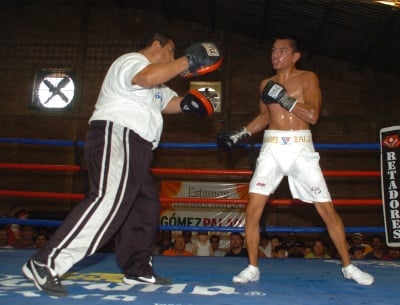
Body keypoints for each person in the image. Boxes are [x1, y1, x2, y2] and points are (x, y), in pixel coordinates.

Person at [21, 29, 222, 297]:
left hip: (138, 146)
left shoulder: (156, 84)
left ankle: (136, 268)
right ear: (155, 46)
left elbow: (166, 103)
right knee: (109, 200)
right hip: (119, 134)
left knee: (145, 207)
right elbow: (147, 77)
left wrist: (190, 103)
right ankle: (46, 262)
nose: (173, 57)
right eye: (171, 51)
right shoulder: (132, 62)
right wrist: (188, 60)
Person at [217, 35, 374, 285]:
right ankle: (252, 267)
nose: (275, 54)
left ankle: (349, 267)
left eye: (282, 50)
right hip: (272, 146)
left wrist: (284, 99)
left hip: (301, 147)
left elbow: (312, 115)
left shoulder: (308, 78)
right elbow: (263, 117)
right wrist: (240, 133)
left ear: (295, 56)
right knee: (253, 209)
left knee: (326, 209)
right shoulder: (265, 84)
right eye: (273, 50)